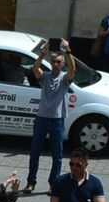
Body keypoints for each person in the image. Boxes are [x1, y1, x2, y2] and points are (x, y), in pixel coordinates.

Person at [27, 38, 77, 189]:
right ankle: (31, 182)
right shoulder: (45, 77)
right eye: (53, 61)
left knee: (57, 155)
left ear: (62, 64)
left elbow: (73, 70)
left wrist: (67, 51)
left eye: (59, 62)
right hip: (41, 118)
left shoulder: (64, 79)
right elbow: (35, 69)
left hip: (57, 120)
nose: (56, 64)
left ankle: (53, 184)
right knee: (35, 152)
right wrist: (43, 54)